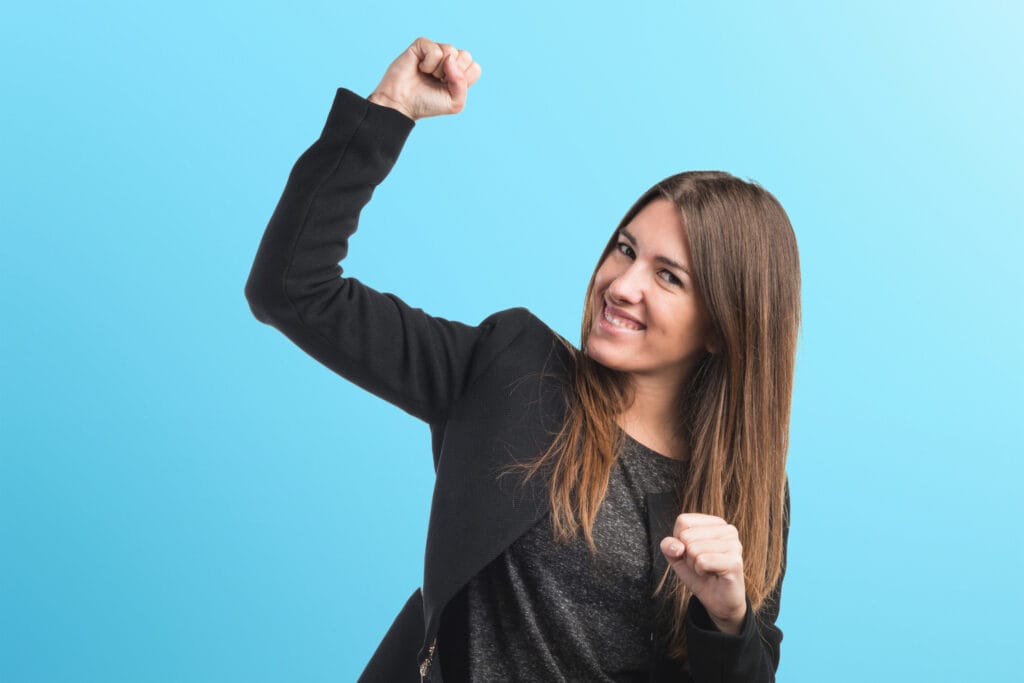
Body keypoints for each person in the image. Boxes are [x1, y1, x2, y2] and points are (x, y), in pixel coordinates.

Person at [245, 36, 800, 683]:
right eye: (625, 248)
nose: (622, 284)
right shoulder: (510, 364)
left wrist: (728, 619)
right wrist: (389, 110)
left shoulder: (745, 484)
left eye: (669, 276)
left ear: (722, 325)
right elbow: (292, 288)